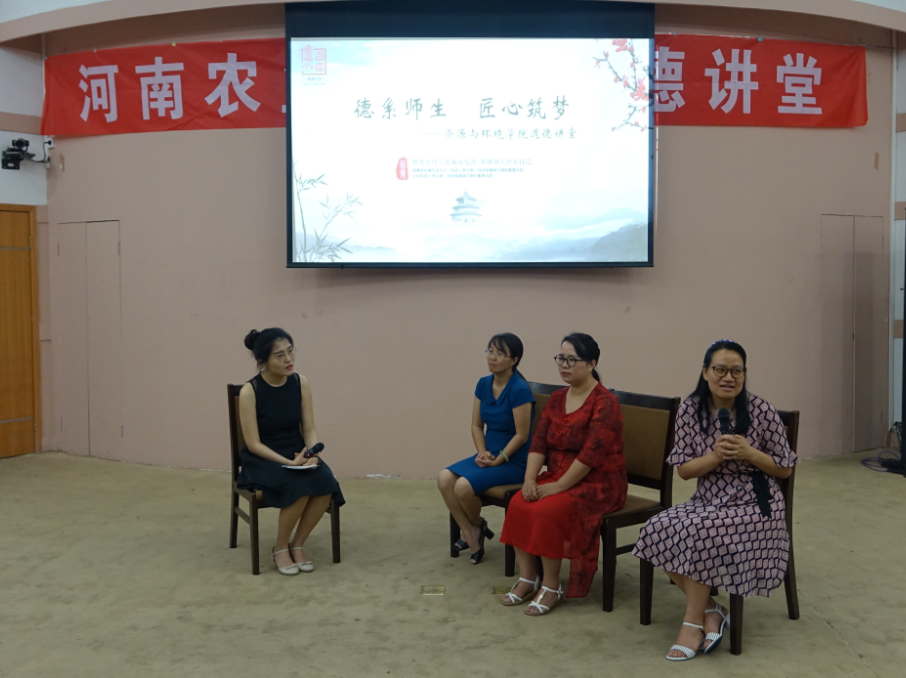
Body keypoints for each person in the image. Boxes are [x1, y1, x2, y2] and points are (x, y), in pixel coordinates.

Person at [632, 340, 799, 661]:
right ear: (706, 372)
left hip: (757, 503)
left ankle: (692, 624)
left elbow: (785, 468)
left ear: (744, 374)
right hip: (708, 498)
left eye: (737, 371)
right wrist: (715, 456)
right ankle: (712, 609)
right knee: (656, 527)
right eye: (720, 370)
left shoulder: (761, 410)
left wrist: (750, 453)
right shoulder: (690, 410)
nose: (728, 377)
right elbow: (684, 471)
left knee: (699, 532)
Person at [499, 333, 626, 615]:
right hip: (559, 474)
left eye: (572, 360)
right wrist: (530, 479)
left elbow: (591, 455)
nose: (564, 365)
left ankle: (552, 585)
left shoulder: (605, 402)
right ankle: (528, 578)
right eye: (561, 359)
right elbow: (539, 443)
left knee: (547, 509)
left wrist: (558, 487)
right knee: (519, 502)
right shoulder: (557, 398)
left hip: (599, 482)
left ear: (591, 364)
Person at [237, 328, 345, 575]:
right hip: (263, 457)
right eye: (279, 356)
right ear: (263, 361)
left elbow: (309, 428)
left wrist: (313, 453)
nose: (288, 360)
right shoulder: (250, 391)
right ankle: (280, 547)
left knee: (325, 482)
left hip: (297, 450)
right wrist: (289, 462)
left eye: (290, 351)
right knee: (297, 485)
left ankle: (297, 544)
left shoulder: (300, 382)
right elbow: (253, 444)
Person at [438, 333, 535, 565]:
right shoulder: (483, 384)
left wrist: (499, 459)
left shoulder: (519, 389)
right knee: (444, 478)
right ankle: (472, 528)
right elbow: (476, 425)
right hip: (489, 454)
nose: (492, 357)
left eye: (500, 354)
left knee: (463, 486)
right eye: (490, 351)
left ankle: (474, 529)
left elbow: (522, 435)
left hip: (514, 461)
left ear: (514, 360)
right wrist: (482, 452)